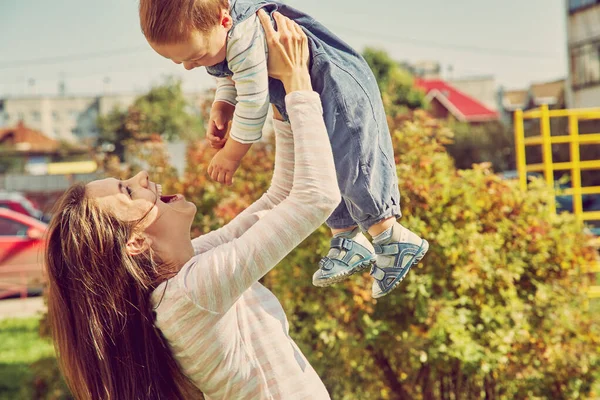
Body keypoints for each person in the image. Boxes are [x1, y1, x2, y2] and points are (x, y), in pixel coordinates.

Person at [46, 14, 336, 400]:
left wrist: (278, 96)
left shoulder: (190, 272)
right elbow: (316, 198)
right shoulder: (191, 295)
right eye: (129, 192)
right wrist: (298, 83)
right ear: (134, 243)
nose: (143, 177)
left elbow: (279, 198)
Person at [140, 0, 429, 298]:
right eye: (181, 62)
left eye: (195, 57)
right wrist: (223, 104)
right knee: (323, 162)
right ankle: (347, 237)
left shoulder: (243, 36)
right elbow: (230, 74)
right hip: (304, 87)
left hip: (335, 85)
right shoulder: (221, 35)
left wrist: (231, 155)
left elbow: (253, 104)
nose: (189, 66)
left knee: (352, 160)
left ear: (224, 19)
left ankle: (390, 235)